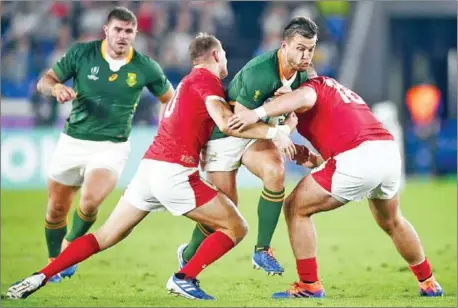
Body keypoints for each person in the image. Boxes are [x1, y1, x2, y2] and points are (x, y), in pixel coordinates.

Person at [6, 33, 297, 301]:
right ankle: (184, 277)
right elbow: (225, 123)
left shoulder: (186, 83)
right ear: (215, 55)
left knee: (105, 235)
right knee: (236, 226)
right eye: (223, 55)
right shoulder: (206, 81)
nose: (225, 62)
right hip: (174, 172)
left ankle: (40, 276)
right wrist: (274, 133)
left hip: (148, 169)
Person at [227, 67, 444, 298]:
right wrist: (312, 159)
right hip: (387, 153)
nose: (278, 92)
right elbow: (348, 140)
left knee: (294, 207)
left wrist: (256, 113)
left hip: (358, 158)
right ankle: (428, 282)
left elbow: (304, 97)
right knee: (393, 221)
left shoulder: (309, 88)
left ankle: (309, 285)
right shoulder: (337, 90)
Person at [35, 7, 175, 283]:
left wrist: (167, 128)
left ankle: (69, 249)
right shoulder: (82, 54)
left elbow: (170, 99)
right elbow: (45, 81)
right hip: (73, 141)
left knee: (89, 202)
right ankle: (54, 261)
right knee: (56, 210)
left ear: (135, 34)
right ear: (106, 30)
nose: (123, 36)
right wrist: (56, 88)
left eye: (129, 31)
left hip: (112, 146)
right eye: (118, 30)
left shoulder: (145, 66)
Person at [179, 17, 318, 276]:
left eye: (310, 49)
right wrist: (279, 132)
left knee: (275, 171)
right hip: (224, 137)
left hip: (257, 136)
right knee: (222, 213)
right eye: (300, 48)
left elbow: (295, 111)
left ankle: (262, 250)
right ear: (284, 46)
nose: (306, 55)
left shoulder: (303, 74)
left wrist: (287, 124)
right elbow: (238, 120)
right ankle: (187, 255)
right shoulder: (261, 72)